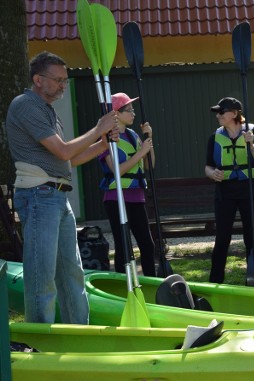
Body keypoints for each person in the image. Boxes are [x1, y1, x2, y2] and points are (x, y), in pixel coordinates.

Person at [6, 51, 118, 324]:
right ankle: (39, 342)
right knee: (42, 276)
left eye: (65, 81)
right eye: (58, 80)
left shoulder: (48, 111)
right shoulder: (25, 105)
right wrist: (97, 128)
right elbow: (64, 150)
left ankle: (79, 333)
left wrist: (102, 143)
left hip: (57, 195)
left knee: (72, 274)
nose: (63, 86)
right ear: (38, 79)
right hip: (38, 195)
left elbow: (69, 160)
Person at [205, 97, 254, 284]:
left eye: (221, 112)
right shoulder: (214, 137)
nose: (218, 115)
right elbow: (207, 166)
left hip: (249, 189)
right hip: (225, 191)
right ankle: (215, 280)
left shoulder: (253, 132)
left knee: (251, 234)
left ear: (234, 114)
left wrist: (252, 145)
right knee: (222, 236)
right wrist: (212, 173)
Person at [98, 92, 156, 277]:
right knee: (123, 245)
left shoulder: (133, 136)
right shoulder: (107, 138)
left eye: (132, 110)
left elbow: (149, 165)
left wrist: (149, 142)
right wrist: (140, 153)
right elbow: (116, 170)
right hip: (116, 198)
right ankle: (124, 284)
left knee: (147, 244)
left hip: (136, 195)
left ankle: (151, 281)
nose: (133, 114)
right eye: (129, 110)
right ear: (116, 114)